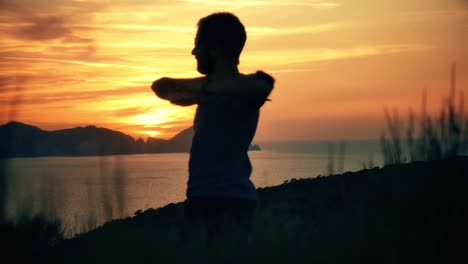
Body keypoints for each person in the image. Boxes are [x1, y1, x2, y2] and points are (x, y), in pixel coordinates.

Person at [151, 12, 274, 239]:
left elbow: (263, 84)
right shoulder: (210, 90)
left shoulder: (244, 89)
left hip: (231, 203)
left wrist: (206, 90)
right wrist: (208, 88)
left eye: (198, 44)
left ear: (215, 48)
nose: (194, 51)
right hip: (201, 199)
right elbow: (161, 87)